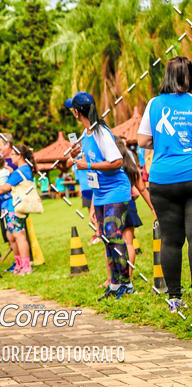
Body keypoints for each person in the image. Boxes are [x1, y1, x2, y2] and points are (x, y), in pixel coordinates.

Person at [137, 56, 192, 313]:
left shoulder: (154, 104)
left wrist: (162, 143)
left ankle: (174, 298)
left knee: (171, 240)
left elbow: (142, 140)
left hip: (162, 179)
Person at [65, 92, 132, 300]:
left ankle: (126, 283)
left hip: (116, 190)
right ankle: (113, 284)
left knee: (113, 234)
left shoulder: (100, 131)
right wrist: (79, 156)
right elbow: (92, 161)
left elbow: (117, 162)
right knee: (105, 238)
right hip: (101, 193)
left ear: (77, 112)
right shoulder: (87, 134)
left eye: (72, 109)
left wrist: (88, 165)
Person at [115, 136, 156, 276]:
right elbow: (142, 189)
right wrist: (152, 207)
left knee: (112, 243)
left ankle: (115, 278)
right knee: (129, 243)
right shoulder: (131, 167)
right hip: (130, 205)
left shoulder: (111, 167)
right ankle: (129, 276)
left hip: (113, 206)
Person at [0, 144, 37, 275]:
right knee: (11, 235)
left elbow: (5, 187)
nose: (10, 157)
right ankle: (19, 264)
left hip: (15, 207)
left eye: (13, 154)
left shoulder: (21, 171)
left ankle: (26, 266)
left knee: (19, 235)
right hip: (8, 207)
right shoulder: (22, 169)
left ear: (19, 156)